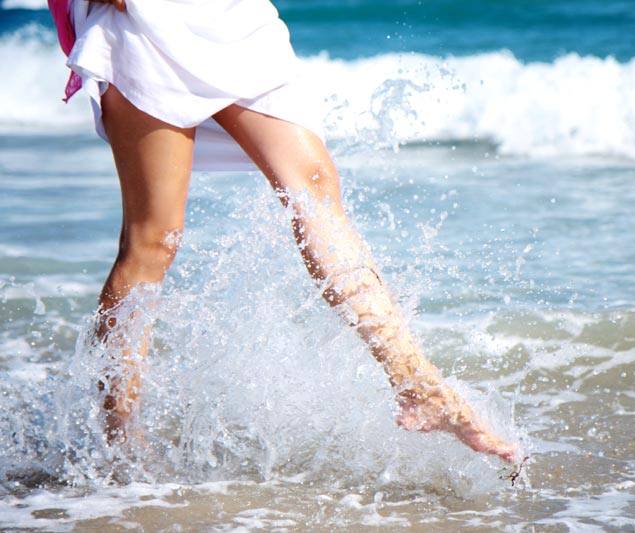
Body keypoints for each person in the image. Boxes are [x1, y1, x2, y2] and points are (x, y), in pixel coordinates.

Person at [50, 0, 519, 463]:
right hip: (145, 21)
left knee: (313, 187)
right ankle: (118, 446)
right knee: (152, 239)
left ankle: (417, 386)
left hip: (233, 17)